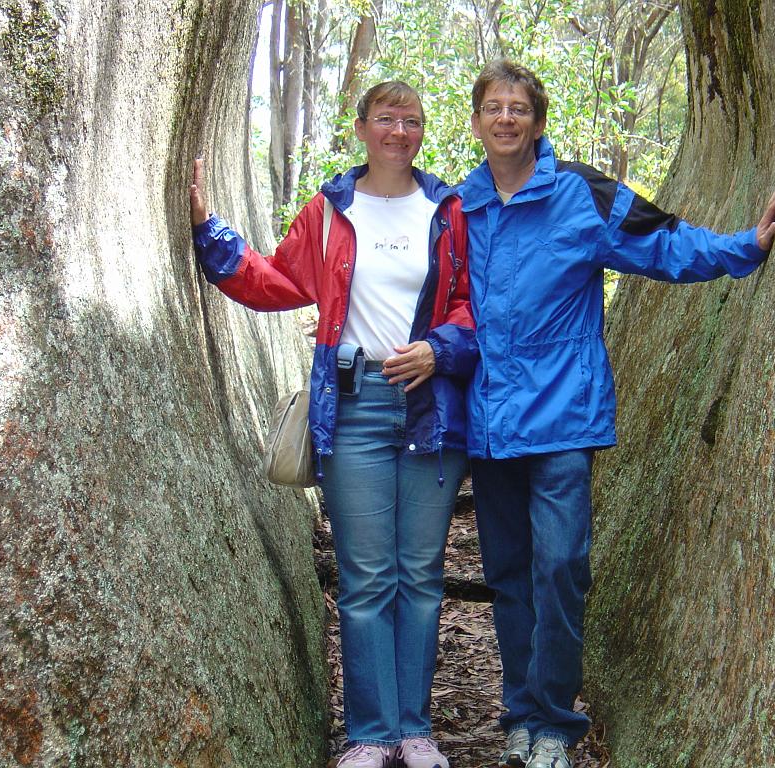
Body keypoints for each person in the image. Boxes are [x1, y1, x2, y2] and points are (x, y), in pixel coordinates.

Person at [458, 60, 775, 768]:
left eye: (520, 107)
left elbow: (662, 242)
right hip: (487, 422)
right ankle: (519, 712)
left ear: (537, 122)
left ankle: (553, 723)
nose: (506, 118)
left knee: (563, 568)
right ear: (478, 120)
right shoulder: (459, 206)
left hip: (564, 418)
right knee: (509, 573)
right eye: (494, 107)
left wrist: (742, 249)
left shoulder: (582, 193)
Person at [189, 81, 476, 768]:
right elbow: (273, 281)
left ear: (423, 131)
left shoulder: (448, 209)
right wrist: (209, 230)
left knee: (420, 573)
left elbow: (473, 305)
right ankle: (372, 736)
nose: (398, 132)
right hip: (355, 407)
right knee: (367, 574)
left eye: (411, 121)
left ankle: (416, 728)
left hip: (428, 407)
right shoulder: (328, 211)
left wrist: (441, 348)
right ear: (361, 128)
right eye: (386, 119)